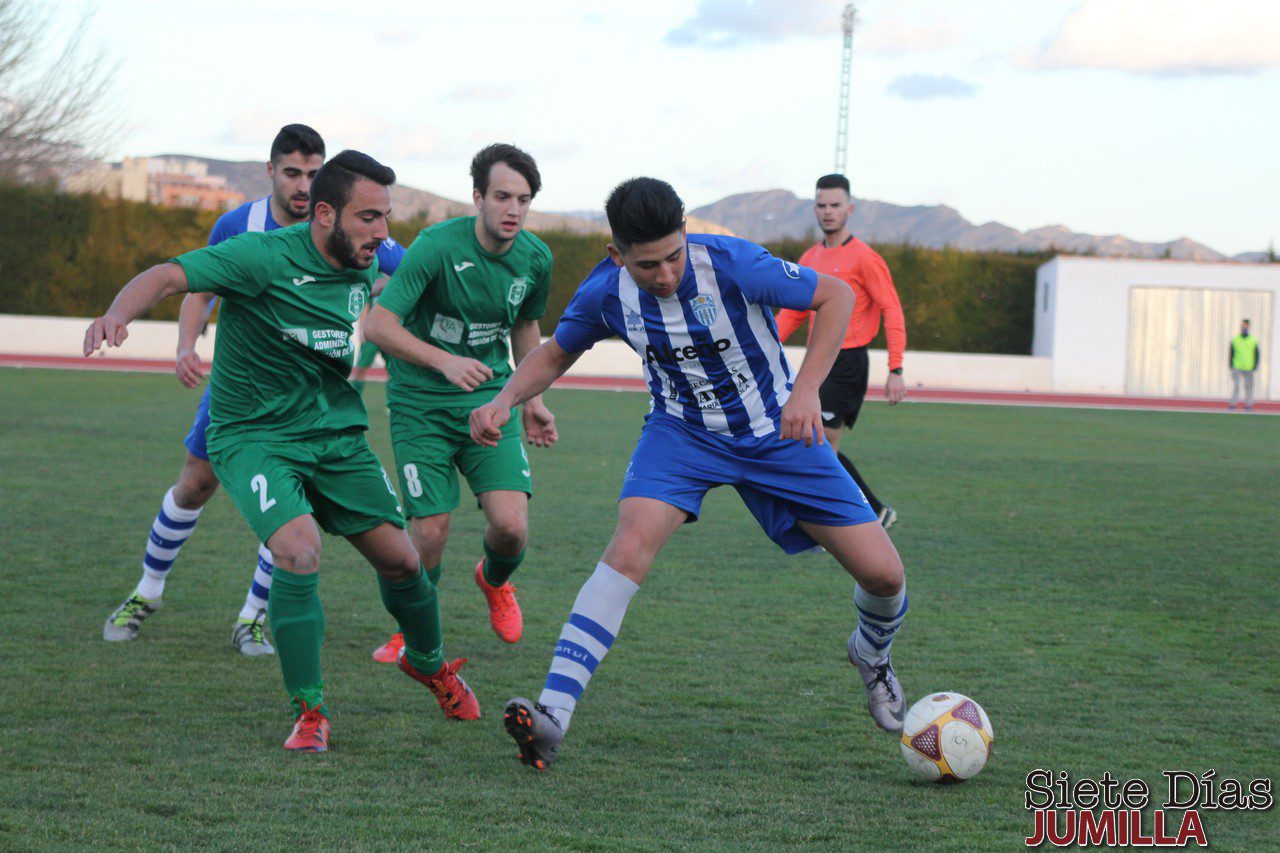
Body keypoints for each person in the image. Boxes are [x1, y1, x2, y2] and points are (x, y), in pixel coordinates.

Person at [472, 177, 909, 771]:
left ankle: (872, 656)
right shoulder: (606, 293)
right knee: (627, 548)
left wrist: (806, 390)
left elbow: (836, 298)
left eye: (675, 255)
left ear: (687, 236)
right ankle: (551, 715)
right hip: (681, 435)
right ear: (616, 255)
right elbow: (554, 352)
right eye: (648, 263)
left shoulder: (732, 264)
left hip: (775, 430)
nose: (667, 274)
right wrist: (504, 400)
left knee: (885, 577)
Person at [84, 150, 478, 753]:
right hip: (254, 437)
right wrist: (117, 313)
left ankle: (430, 662)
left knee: (403, 563)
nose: (383, 232)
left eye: (387, 218)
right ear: (325, 214)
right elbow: (167, 276)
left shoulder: (371, 255)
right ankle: (310, 712)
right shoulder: (260, 257)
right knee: (298, 550)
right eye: (369, 217)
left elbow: (434, 268)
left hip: (335, 437)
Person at [101, 125, 406, 656]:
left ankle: (254, 616)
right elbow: (198, 285)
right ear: (271, 171)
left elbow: (415, 273)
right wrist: (185, 346)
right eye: (293, 173)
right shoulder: (240, 226)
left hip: (310, 405)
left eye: (314, 175)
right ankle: (145, 593)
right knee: (195, 484)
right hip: (243, 393)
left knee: (296, 507)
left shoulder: (362, 230)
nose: (303, 185)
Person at [364, 143, 556, 658]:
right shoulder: (435, 247)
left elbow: (525, 325)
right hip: (419, 404)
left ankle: (494, 582)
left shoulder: (535, 258)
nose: (513, 209)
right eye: (502, 196)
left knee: (511, 528)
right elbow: (378, 324)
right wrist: (443, 361)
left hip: (491, 403)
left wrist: (533, 399)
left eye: (524, 198)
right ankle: (412, 629)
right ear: (477, 197)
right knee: (428, 533)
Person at [775, 174, 906, 530]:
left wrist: (896, 369)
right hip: (817, 362)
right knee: (810, 440)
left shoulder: (865, 258)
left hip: (847, 361)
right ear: (814, 209)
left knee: (819, 442)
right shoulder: (810, 257)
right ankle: (872, 513)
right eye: (821, 205)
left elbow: (891, 309)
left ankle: (839, 523)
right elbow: (795, 310)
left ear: (850, 209)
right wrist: (766, 342)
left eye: (835, 205)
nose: (828, 212)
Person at [1229, 319, 1260, 412]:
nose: (1244, 328)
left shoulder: (1253, 340)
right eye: (1243, 326)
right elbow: (1231, 352)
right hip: (1237, 366)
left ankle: (1248, 406)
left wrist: (1255, 365)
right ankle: (1233, 405)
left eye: (1246, 326)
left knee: (1249, 387)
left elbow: (1257, 354)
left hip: (1248, 367)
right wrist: (1231, 364)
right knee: (1236, 386)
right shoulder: (1235, 339)